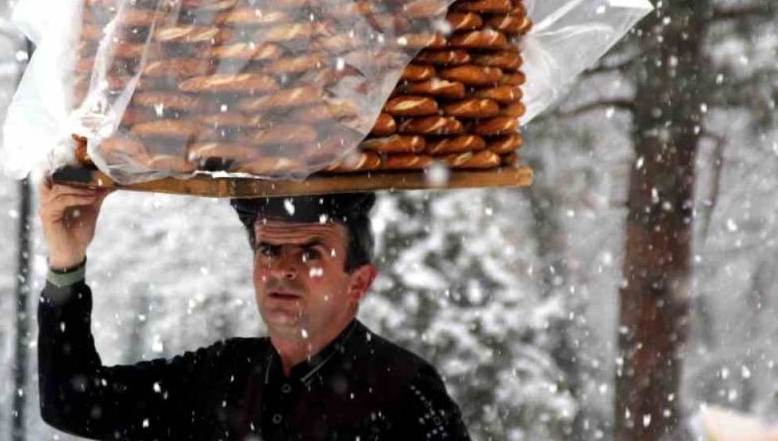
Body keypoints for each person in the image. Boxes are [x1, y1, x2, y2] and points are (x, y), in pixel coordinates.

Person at [37, 178, 472, 440]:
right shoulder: (223, 375)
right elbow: (74, 402)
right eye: (268, 249)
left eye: (310, 253)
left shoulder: (401, 389)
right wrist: (66, 262)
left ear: (359, 282)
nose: (282, 269)